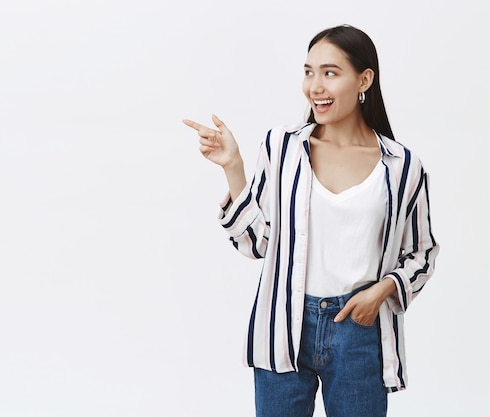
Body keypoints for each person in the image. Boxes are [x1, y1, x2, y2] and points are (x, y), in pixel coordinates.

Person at [183, 25, 439, 417]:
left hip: (358, 329)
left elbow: (421, 252)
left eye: (330, 73)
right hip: (283, 323)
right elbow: (257, 244)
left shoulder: (403, 167)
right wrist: (233, 168)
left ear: (364, 80)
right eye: (308, 72)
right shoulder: (283, 147)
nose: (315, 86)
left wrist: (382, 291)